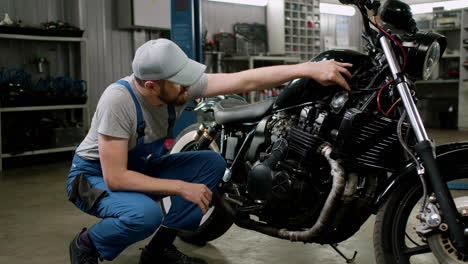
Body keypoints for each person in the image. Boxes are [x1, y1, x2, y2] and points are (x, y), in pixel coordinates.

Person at [67, 38, 352, 264]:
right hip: (94, 177)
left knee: (210, 163)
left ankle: (158, 251)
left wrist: (307, 69)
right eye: (180, 81)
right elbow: (116, 177)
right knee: (145, 216)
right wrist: (181, 187)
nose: (188, 86)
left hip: (141, 166)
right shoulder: (118, 102)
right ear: (151, 86)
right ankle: (86, 245)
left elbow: (245, 80)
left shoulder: (174, 87)